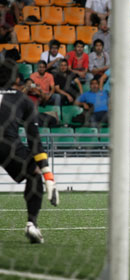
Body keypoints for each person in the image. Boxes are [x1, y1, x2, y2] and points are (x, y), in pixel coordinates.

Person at [0, 58, 59, 244]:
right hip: (8, 146)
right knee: (34, 174)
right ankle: (31, 224)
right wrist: (48, 175)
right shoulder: (23, 99)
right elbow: (34, 140)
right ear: (17, 79)